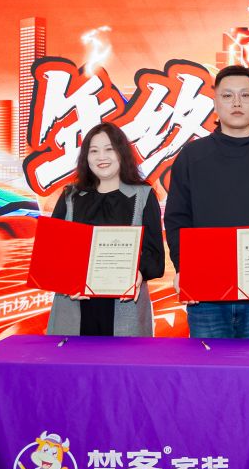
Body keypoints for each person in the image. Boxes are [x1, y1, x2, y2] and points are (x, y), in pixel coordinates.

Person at [163, 65, 249, 339]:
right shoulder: (193, 156)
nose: (237, 102)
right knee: (209, 366)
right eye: (227, 96)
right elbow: (177, 218)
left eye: (245, 95)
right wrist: (184, 268)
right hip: (206, 294)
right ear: (215, 103)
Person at [46, 123, 165, 336]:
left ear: (121, 153)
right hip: (74, 306)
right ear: (86, 157)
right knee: (73, 358)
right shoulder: (70, 197)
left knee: (123, 358)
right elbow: (52, 254)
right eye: (94, 151)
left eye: (109, 149)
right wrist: (66, 280)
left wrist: (138, 272)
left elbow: (155, 257)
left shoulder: (144, 196)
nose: (102, 157)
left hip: (125, 308)